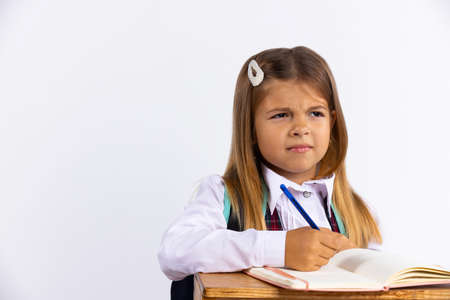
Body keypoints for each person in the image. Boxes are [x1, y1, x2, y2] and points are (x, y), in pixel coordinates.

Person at [158, 46, 382, 299]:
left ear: (332, 122)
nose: (300, 127)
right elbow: (174, 251)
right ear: (251, 128)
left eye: (315, 113)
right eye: (281, 115)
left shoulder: (357, 212)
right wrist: (281, 248)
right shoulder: (223, 196)